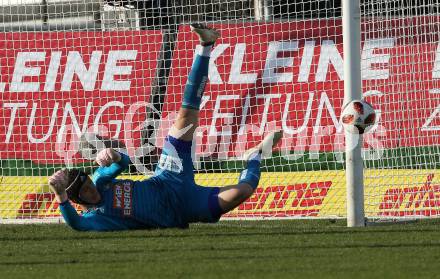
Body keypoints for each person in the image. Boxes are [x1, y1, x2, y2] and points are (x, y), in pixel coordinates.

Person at [48, 24, 283, 231]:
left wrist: (114, 154)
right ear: (78, 201)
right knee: (242, 193)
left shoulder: (100, 180)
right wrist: (60, 195)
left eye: (89, 184)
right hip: (184, 207)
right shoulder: (95, 219)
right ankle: (255, 156)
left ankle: (206, 44)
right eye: (87, 192)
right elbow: (75, 224)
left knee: (185, 116)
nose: (92, 189)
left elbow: (124, 163)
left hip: (168, 176)